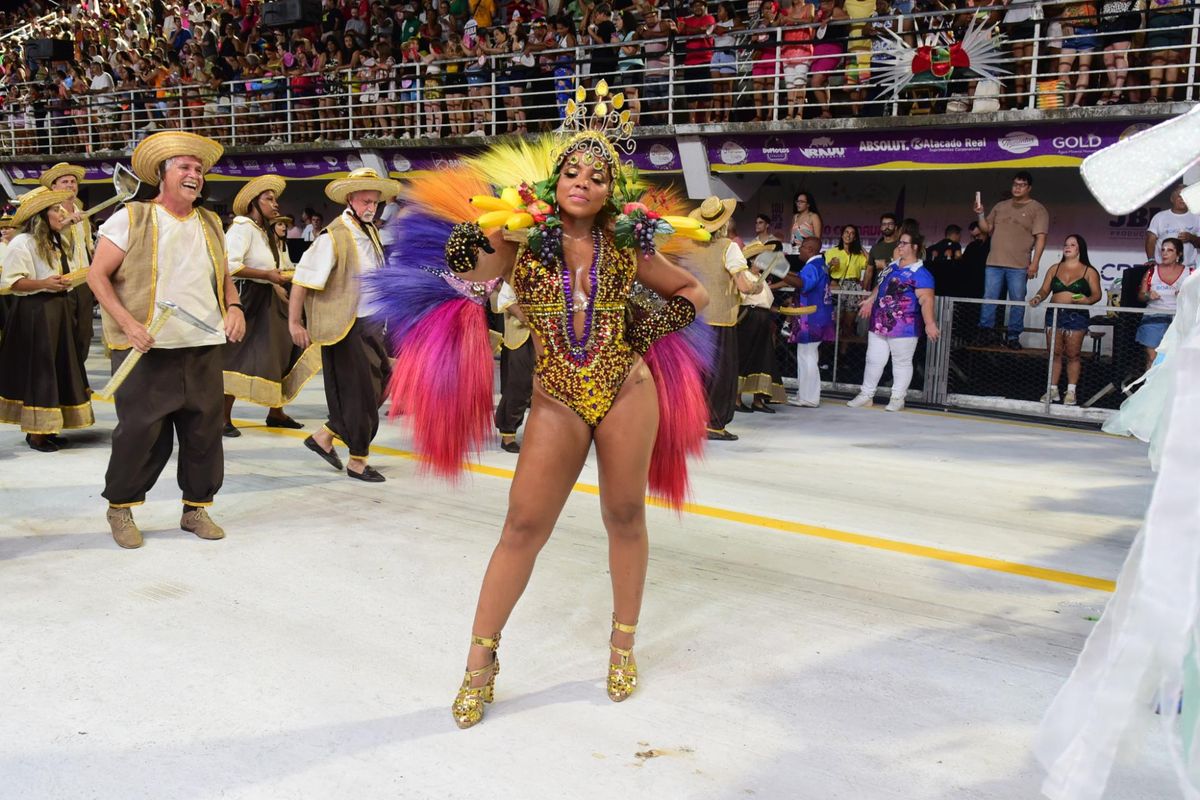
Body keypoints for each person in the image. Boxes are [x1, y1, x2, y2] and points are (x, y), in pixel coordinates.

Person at [87, 131, 245, 549]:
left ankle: (195, 508)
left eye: (198, 169)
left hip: (203, 344)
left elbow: (224, 274)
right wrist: (127, 323)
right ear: (163, 175)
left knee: (203, 432)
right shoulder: (131, 217)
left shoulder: (212, 221)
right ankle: (120, 508)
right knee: (140, 433)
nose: (194, 175)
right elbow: (96, 276)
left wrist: (234, 306)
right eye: (184, 168)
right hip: (147, 348)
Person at [289, 168, 400, 483]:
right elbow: (302, 280)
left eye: (375, 203)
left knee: (385, 379)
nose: (371, 208)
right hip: (346, 325)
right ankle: (358, 461)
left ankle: (325, 435)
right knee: (359, 395)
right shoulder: (334, 236)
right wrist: (295, 322)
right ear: (351, 199)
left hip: (371, 322)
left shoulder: (369, 231)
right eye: (366, 201)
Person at [221, 176, 320, 437]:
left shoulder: (262, 231)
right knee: (238, 355)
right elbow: (229, 265)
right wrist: (268, 277)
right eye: (269, 199)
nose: (275, 204)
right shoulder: (242, 227)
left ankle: (276, 411)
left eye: (275, 199)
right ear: (255, 202)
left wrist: (276, 281)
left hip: (267, 297)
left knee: (282, 350)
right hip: (249, 300)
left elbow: (268, 268)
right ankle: (222, 417)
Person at [0, 187, 95, 452]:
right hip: (35, 312)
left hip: (57, 309)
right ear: (41, 215)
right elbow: (12, 283)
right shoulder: (23, 242)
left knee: (58, 366)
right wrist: (44, 283)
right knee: (40, 370)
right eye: (55, 210)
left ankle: (48, 427)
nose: (60, 213)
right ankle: (36, 432)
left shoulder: (55, 241)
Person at [847, 231, 938, 412]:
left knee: (901, 362)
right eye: (899, 243)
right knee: (873, 359)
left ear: (915, 247)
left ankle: (897, 397)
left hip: (904, 325)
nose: (899, 246)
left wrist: (930, 323)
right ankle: (866, 394)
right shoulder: (892, 266)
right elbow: (880, 286)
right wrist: (870, 300)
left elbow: (926, 300)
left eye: (904, 243)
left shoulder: (921, 273)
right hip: (879, 322)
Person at [690, 196, 756, 441]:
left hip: (694, 319)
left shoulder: (690, 246)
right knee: (721, 374)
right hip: (720, 319)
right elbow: (743, 284)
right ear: (725, 224)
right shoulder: (729, 247)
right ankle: (714, 424)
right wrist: (755, 287)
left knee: (697, 374)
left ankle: (691, 422)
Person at [973, 170, 1049, 349]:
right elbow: (986, 228)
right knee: (989, 297)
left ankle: (1013, 336)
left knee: (1017, 299)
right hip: (994, 262)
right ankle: (986, 332)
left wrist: (1035, 262)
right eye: (1015, 184)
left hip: (1019, 264)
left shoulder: (1037, 209)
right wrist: (981, 214)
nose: (1017, 188)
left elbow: (1041, 238)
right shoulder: (1001, 206)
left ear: (1029, 188)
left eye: (1022, 185)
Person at [39, 163, 95, 391]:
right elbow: (41, 238)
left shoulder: (81, 209)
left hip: (84, 280)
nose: (70, 185)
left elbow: (87, 246)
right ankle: (63, 384)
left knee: (84, 334)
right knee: (64, 336)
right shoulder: (47, 211)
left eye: (73, 181)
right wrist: (64, 224)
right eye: (64, 181)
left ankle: (76, 381)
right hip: (61, 281)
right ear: (53, 186)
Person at [1029, 234, 1102, 405]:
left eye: (1072, 245)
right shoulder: (1054, 268)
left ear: (1080, 249)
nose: (1067, 247)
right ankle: (1052, 389)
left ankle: (1071, 391)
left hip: (1076, 316)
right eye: (1066, 244)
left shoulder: (1088, 271)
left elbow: (1097, 294)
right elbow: (1045, 289)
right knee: (1054, 353)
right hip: (1054, 314)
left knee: (1073, 354)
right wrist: (1038, 298)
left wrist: (1087, 300)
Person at [783, 235, 835, 407]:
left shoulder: (813, 266)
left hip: (811, 318)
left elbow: (802, 283)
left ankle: (809, 397)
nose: (800, 249)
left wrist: (779, 271)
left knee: (807, 356)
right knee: (807, 355)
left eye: (803, 247)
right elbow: (799, 277)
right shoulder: (819, 265)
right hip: (818, 317)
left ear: (811, 250)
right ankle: (804, 395)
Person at [736, 240, 786, 412]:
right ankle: (736, 399)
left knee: (763, 357)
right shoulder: (744, 276)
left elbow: (765, 302)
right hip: (749, 318)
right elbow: (744, 297)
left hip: (763, 319)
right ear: (751, 260)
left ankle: (759, 400)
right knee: (745, 355)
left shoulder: (761, 280)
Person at [1136, 237, 1195, 370]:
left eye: (1170, 250)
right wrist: (1148, 295)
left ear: (1178, 254)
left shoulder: (1190, 273)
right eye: (1162, 250)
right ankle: (1150, 388)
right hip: (1154, 316)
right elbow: (1140, 296)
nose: (1165, 253)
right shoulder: (1152, 271)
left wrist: (1186, 294)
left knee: (1177, 359)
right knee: (1152, 357)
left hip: (1181, 318)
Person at [492, 281, 534, 452]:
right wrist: (524, 316)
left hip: (550, 334)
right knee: (518, 383)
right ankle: (507, 433)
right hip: (521, 333)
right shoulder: (518, 268)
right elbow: (505, 299)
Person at [1145, 184, 1199, 268]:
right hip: (1162, 268)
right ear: (1172, 199)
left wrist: (1192, 237)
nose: (1183, 199)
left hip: (1188, 268)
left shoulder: (1196, 218)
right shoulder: (1160, 217)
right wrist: (1151, 259)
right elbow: (1150, 240)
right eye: (1179, 197)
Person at [865, 212, 899, 288]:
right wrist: (864, 290)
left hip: (896, 290)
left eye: (890, 224)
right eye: (884, 224)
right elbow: (869, 271)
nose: (887, 227)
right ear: (881, 228)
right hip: (877, 290)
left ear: (895, 227)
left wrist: (885, 265)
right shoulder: (875, 248)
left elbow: (906, 269)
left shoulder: (901, 246)